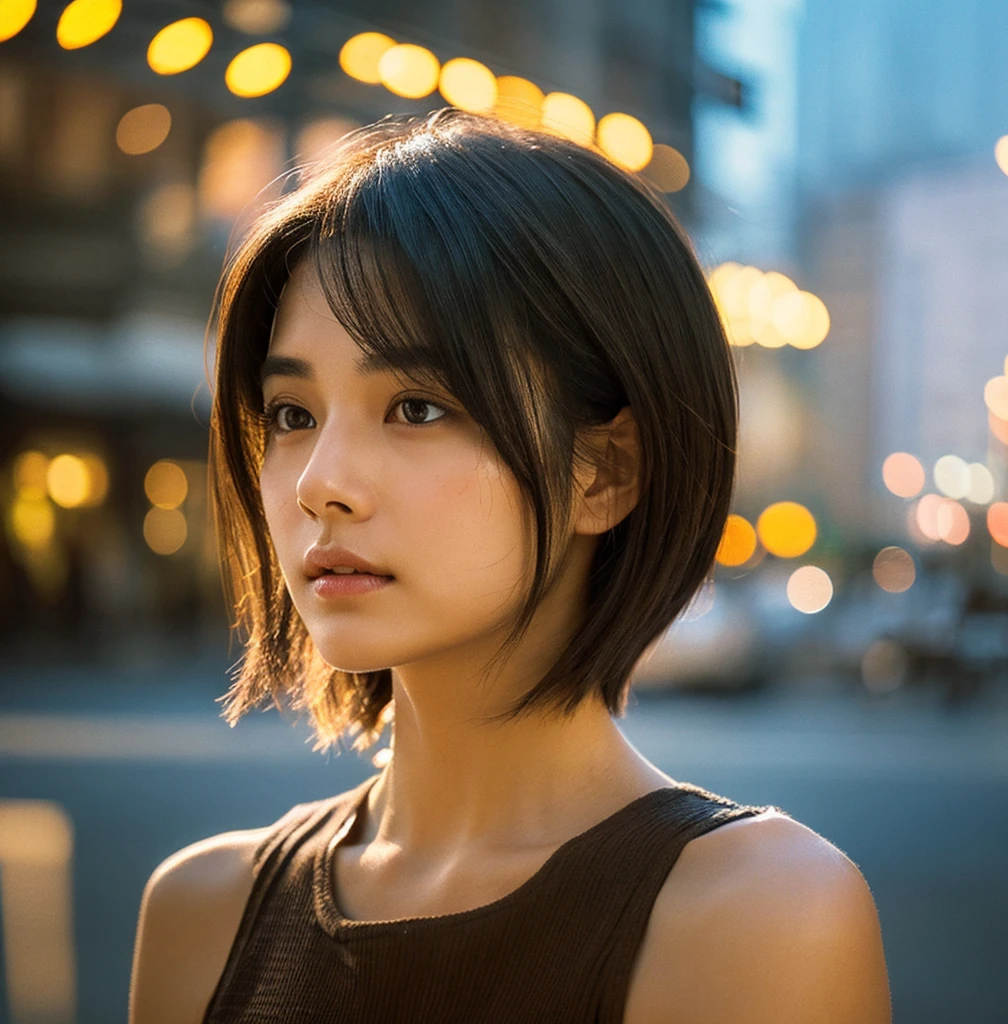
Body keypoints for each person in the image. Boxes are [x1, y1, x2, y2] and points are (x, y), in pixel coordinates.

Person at [128, 108, 891, 1023]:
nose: (320, 483)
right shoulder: (199, 916)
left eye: (415, 407)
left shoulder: (762, 918)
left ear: (603, 471)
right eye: (293, 413)